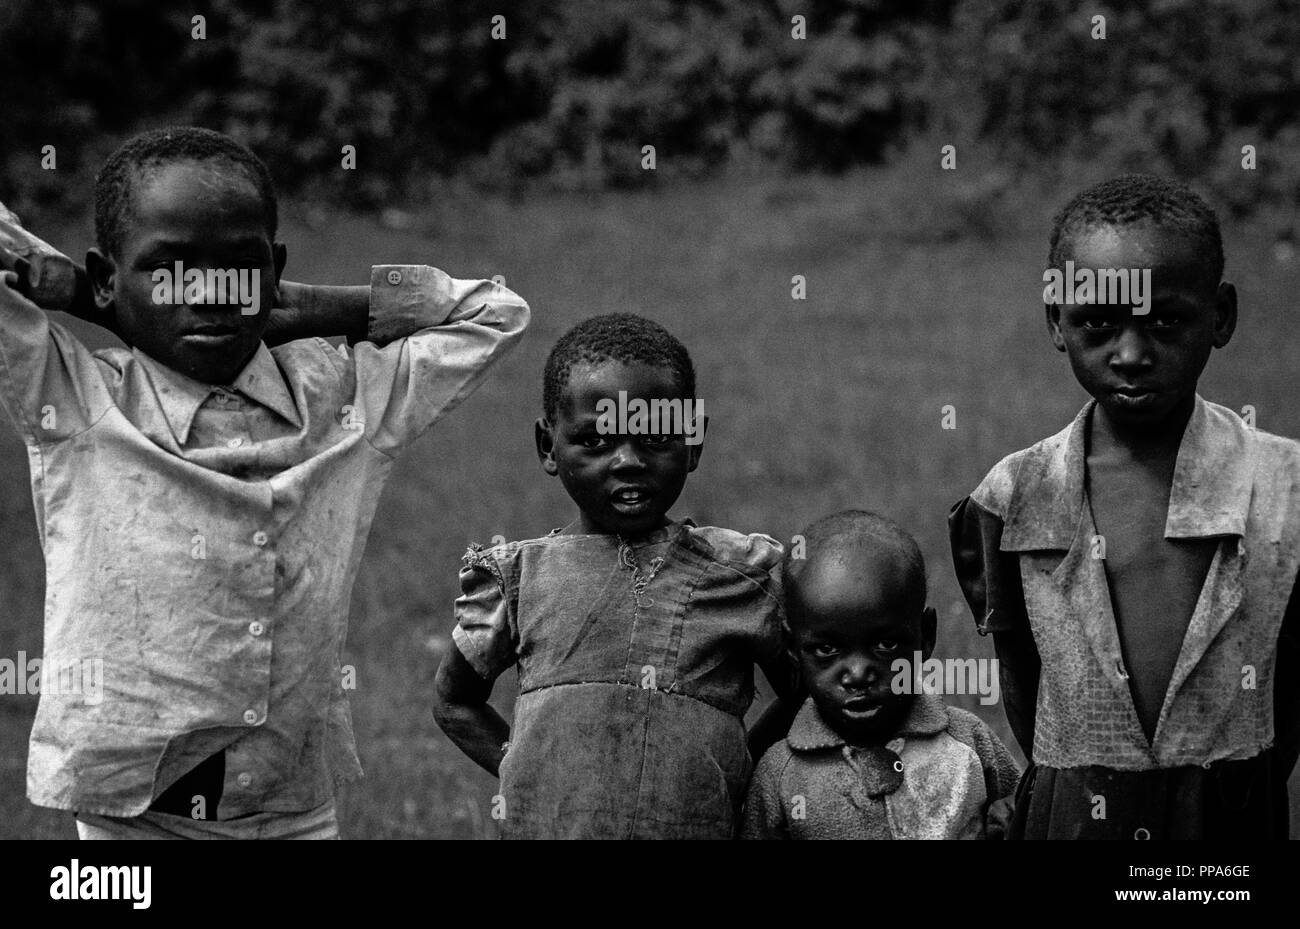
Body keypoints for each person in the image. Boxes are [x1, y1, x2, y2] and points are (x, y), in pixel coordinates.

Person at [0, 126, 530, 838]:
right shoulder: (76, 400)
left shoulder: (343, 396)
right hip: (135, 816)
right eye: (169, 271)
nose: (208, 294)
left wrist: (304, 305)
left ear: (272, 272)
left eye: (237, 269)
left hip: (290, 805)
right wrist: (82, 296)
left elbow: (495, 315)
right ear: (108, 275)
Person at [949, 174, 1300, 838]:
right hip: (1075, 812)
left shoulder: (1285, 486)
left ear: (1220, 315)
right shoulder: (1012, 496)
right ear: (1057, 320)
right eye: (1099, 323)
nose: (1132, 354)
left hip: (1231, 814)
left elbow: (1295, 677)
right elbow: (1024, 680)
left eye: (1165, 320)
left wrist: (1238, 778)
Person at [433, 313, 796, 838]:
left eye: (655, 438)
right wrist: (525, 769)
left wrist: (742, 768)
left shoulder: (741, 574)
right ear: (547, 447)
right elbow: (454, 700)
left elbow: (809, 689)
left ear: (694, 440)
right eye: (596, 442)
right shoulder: (518, 579)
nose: (627, 460)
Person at [742, 510, 1018, 839]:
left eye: (886, 644)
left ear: (925, 636)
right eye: (827, 650)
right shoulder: (781, 774)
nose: (858, 673)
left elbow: (1024, 813)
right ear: (791, 649)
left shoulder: (969, 741)